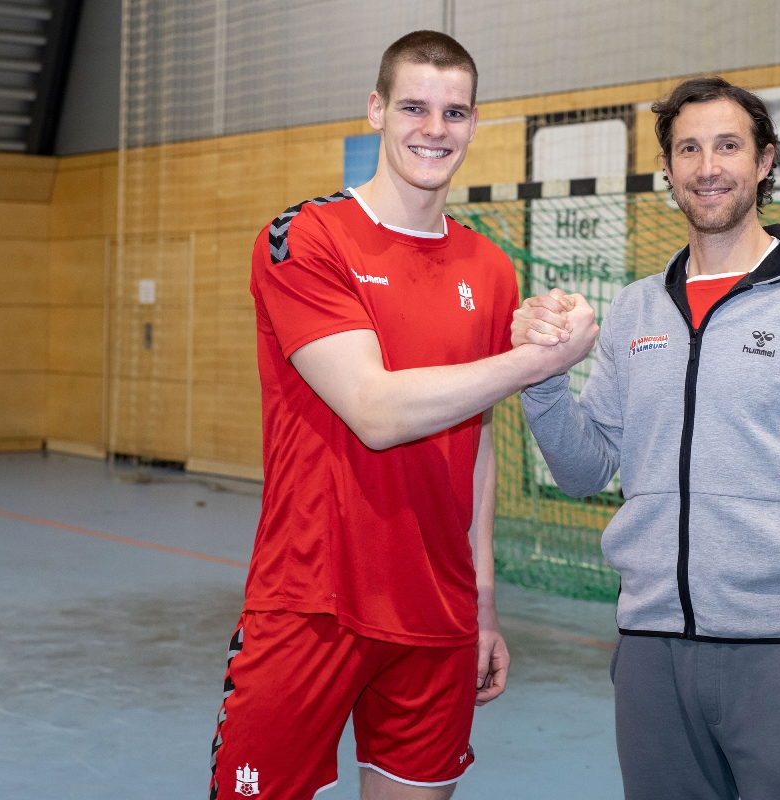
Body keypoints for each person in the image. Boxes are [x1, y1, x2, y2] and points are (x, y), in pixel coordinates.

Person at [208, 31, 597, 800]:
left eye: (454, 112)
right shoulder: (305, 239)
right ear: (377, 110)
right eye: (414, 106)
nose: (434, 129)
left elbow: (477, 440)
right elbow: (375, 410)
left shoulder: (488, 267)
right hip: (312, 601)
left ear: (475, 123)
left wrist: (484, 603)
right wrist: (540, 361)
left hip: (437, 613)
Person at [512, 76, 780, 799]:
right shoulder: (637, 307)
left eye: (728, 146)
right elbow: (586, 470)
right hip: (651, 652)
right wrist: (541, 380)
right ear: (667, 171)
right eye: (688, 149)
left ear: (764, 161)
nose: (707, 167)